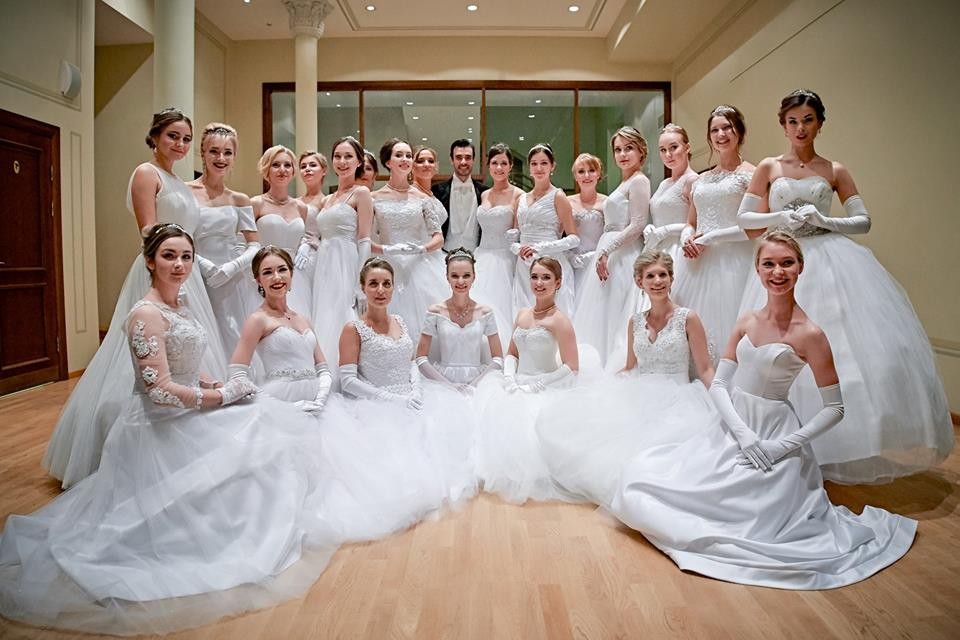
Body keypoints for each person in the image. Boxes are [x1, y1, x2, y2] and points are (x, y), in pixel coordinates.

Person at [0, 225, 339, 635]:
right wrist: (221, 396)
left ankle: (243, 526)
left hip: (189, 408)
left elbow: (185, 366)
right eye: (169, 256)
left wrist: (213, 383)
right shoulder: (145, 314)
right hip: (160, 424)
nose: (179, 265)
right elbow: (159, 391)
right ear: (149, 261)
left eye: (186, 257)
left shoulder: (181, 306)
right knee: (249, 437)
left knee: (261, 433)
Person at [612, 230, 917, 589]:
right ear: (757, 269)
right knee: (639, 483)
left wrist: (780, 447)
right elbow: (720, 384)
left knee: (754, 516)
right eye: (769, 264)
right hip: (733, 424)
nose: (778, 272)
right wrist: (741, 432)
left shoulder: (811, 334)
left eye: (787, 263)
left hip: (776, 433)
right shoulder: (746, 320)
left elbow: (835, 408)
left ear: (800, 267)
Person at [736, 89, 953, 483]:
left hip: (829, 259)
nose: (800, 128)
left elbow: (863, 221)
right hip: (784, 258)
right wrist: (780, 217)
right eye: (792, 121)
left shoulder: (834, 169)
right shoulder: (768, 166)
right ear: (783, 125)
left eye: (808, 120)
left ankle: (838, 447)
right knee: (780, 351)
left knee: (842, 351)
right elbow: (745, 218)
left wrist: (825, 220)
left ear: (820, 123)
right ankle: (779, 438)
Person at [43, 109, 229, 489]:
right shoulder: (147, 173)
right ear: (155, 136)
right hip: (160, 265)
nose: (180, 144)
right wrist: (172, 262)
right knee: (141, 352)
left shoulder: (178, 180)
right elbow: (148, 230)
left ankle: (189, 427)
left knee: (186, 348)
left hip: (184, 267)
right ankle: (123, 443)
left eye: (186, 138)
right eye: (173, 136)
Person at [539, 251, 718, 507]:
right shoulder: (635, 321)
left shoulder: (687, 318)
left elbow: (705, 368)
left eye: (663, 275)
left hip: (680, 398)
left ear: (671, 279)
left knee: (661, 460)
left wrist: (721, 404)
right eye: (650, 276)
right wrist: (604, 389)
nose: (658, 281)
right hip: (641, 394)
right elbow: (631, 366)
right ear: (639, 282)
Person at [336, 258, 477, 526]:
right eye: (373, 284)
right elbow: (347, 381)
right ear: (362, 288)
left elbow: (411, 362)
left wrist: (416, 389)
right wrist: (391, 399)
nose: (380, 290)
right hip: (376, 404)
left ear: (393, 287)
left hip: (413, 397)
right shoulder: (353, 329)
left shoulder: (399, 320)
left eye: (386, 284)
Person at [475, 256, 579, 504]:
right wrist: (509, 377)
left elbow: (572, 367)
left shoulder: (559, 320)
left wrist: (539, 385)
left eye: (546, 278)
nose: (539, 283)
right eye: (535, 277)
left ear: (558, 283)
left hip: (545, 385)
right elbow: (512, 352)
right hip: (517, 383)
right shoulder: (522, 314)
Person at [671, 106, 756, 354]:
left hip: (735, 260)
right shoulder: (702, 179)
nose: (721, 134)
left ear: (739, 131)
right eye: (714, 130)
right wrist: (687, 237)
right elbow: (691, 222)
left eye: (727, 127)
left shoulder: (753, 174)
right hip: (697, 260)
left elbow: (755, 227)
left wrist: (709, 238)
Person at [574, 127, 649, 367]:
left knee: (617, 308)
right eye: (618, 149)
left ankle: (618, 363)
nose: (622, 154)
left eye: (628, 148)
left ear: (641, 151)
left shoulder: (639, 181)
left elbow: (638, 224)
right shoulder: (624, 182)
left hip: (623, 252)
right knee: (603, 310)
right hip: (610, 250)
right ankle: (602, 361)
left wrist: (608, 249)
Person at [188, 122, 261, 355]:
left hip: (231, 277)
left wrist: (232, 267)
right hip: (196, 272)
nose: (221, 158)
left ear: (234, 157)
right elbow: (179, 238)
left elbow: (254, 244)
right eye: (214, 151)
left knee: (231, 331)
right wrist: (203, 265)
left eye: (227, 152)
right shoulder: (185, 192)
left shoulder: (239, 199)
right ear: (202, 153)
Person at [231, 246, 333, 409]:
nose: (277, 277)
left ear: (291, 273)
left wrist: (320, 400)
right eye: (267, 272)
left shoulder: (304, 320)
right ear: (258, 280)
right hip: (281, 402)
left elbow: (323, 370)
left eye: (282, 269)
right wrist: (288, 408)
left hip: (316, 402)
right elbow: (237, 375)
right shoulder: (258, 320)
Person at [308, 136, 373, 382]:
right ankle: (323, 370)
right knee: (324, 312)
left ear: (358, 162)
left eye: (348, 156)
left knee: (344, 312)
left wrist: (361, 282)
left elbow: (364, 239)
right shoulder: (326, 199)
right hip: (324, 264)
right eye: (338, 156)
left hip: (346, 262)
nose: (342, 161)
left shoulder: (362, 193)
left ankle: (347, 374)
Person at [369, 138, 448, 337]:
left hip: (419, 264)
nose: (405, 159)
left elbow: (438, 237)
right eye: (399, 155)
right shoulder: (374, 198)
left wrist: (422, 249)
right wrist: (386, 249)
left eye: (408, 156)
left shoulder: (422, 198)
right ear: (388, 162)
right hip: (386, 263)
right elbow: (365, 239)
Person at [416, 248, 503, 390]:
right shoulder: (435, 312)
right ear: (447, 277)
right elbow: (420, 358)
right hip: (443, 383)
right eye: (454, 276)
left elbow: (498, 359)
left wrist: (474, 386)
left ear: (474, 277)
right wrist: (450, 387)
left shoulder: (485, 313)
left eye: (466, 275)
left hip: (478, 384)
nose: (460, 281)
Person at [511, 143, 579, 318]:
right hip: (524, 265)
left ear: (552, 166)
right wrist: (518, 248)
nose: (539, 168)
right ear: (529, 167)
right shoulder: (521, 199)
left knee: (552, 317)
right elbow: (513, 236)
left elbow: (573, 238)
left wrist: (540, 248)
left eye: (544, 163)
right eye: (534, 163)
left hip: (551, 262)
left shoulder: (558, 196)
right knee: (524, 315)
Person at [253, 145, 313, 319]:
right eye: (276, 165)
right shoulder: (256, 204)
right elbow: (246, 243)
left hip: (296, 276)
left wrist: (306, 246)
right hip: (266, 274)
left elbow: (304, 237)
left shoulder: (301, 207)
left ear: (293, 170)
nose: (282, 170)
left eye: (287, 165)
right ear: (267, 169)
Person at [472, 143, 523, 348]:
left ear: (510, 166)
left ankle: (501, 348)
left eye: (503, 163)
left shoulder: (518, 195)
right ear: (488, 165)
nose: (499, 168)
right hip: (481, 256)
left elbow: (519, 229)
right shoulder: (484, 194)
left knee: (500, 306)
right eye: (494, 163)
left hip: (505, 259)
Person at [643, 124, 698, 264]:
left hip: (679, 249)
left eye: (673, 147)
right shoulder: (664, 183)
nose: (668, 155)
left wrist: (665, 230)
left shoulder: (692, 180)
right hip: (657, 249)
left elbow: (698, 224)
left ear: (687, 148)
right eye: (663, 150)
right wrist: (651, 228)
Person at [432, 138, 484, 251]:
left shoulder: (484, 192)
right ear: (451, 160)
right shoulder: (436, 191)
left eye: (468, 157)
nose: (463, 162)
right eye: (459, 157)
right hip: (444, 255)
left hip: (477, 255)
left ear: (473, 160)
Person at [567, 153, 607, 299]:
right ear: (575, 176)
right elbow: (558, 233)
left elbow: (611, 234)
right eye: (581, 171)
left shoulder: (607, 202)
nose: (586, 175)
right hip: (574, 263)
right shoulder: (566, 202)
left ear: (598, 174)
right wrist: (569, 256)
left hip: (598, 263)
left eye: (591, 170)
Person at [411, 145, 448, 229]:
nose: (427, 164)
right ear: (412, 165)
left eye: (431, 161)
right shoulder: (409, 194)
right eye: (420, 161)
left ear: (436, 166)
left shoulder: (433, 195)